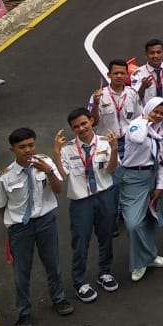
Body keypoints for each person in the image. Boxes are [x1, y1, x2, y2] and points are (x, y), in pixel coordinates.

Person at [0, 127, 74, 326]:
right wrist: (13, 224)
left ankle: (59, 299)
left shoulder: (45, 163)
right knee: (22, 272)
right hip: (20, 228)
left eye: (31, 145)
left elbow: (58, 189)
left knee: (52, 264)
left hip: (45, 221)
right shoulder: (4, 177)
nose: (28, 150)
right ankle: (24, 313)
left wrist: (48, 171)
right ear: (12, 149)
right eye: (22, 147)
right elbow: (0, 206)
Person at [53, 109, 118, 303]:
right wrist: (56, 152)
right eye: (76, 127)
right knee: (80, 241)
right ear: (72, 129)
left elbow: (111, 169)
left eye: (84, 123)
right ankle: (80, 281)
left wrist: (114, 150)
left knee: (106, 235)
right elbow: (62, 176)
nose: (81, 128)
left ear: (91, 121)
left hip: (104, 195)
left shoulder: (105, 143)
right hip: (81, 201)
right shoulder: (67, 149)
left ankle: (105, 272)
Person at [119, 97, 163, 283]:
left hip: (151, 176)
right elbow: (138, 139)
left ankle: (150, 256)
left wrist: (160, 185)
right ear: (147, 109)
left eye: (161, 113)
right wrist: (145, 120)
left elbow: (159, 160)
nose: (158, 116)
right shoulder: (136, 125)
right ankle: (139, 262)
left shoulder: (159, 132)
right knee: (133, 224)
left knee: (149, 219)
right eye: (155, 111)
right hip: (133, 179)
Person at [90, 60, 140, 158]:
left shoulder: (133, 94)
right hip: (106, 143)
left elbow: (139, 119)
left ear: (127, 75)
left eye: (122, 73)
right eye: (116, 73)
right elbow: (93, 122)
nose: (119, 76)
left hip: (128, 143)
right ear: (109, 75)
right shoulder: (99, 95)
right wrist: (96, 104)